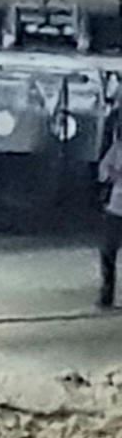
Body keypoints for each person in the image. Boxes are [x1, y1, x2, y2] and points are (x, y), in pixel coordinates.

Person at [99, 121, 122, 309]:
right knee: (108, 253)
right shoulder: (118, 148)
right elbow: (104, 168)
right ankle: (107, 296)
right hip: (116, 208)